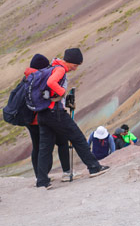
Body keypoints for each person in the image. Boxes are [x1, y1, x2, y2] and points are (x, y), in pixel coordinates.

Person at [35, 48, 110, 188]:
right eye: (75, 65)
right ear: (70, 62)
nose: (75, 69)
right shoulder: (60, 70)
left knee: (45, 147)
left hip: (43, 113)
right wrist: (62, 93)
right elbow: (52, 83)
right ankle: (94, 167)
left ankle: (42, 181)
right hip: (55, 112)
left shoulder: (51, 67)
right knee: (77, 137)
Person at [22, 54, 73, 182]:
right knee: (61, 142)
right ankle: (66, 173)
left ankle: (39, 177)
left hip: (30, 119)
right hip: (45, 116)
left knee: (37, 147)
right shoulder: (41, 77)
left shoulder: (27, 78)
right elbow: (50, 96)